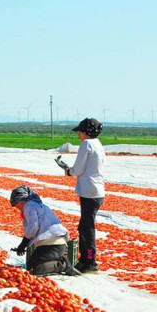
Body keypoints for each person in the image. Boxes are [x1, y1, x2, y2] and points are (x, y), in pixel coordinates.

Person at [64, 117, 105, 273]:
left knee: (87, 228)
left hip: (89, 191)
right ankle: (86, 259)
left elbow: (78, 169)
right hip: (98, 190)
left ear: (85, 132)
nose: (78, 135)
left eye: (79, 132)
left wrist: (69, 171)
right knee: (84, 226)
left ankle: (89, 262)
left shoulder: (86, 144)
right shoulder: (98, 144)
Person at [10, 186, 79, 276]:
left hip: (53, 243)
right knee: (30, 266)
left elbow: (33, 227)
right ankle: (56, 261)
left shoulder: (29, 206)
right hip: (52, 242)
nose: (16, 207)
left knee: (35, 269)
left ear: (21, 200)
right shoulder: (35, 204)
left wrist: (23, 244)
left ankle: (63, 265)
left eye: (15, 203)